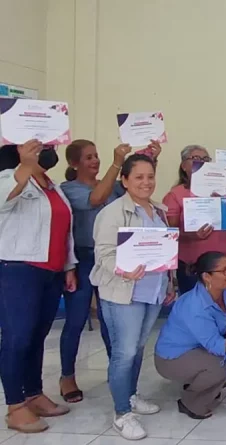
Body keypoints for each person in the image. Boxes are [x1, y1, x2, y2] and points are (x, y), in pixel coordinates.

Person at [91, 154, 176, 440]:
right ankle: (121, 413)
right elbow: (103, 255)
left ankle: (130, 396)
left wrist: (170, 282)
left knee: (138, 348)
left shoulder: (158, 211)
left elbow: (165, 252)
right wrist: (125, 271)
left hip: (152, 291)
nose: (146, 182)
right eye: (138, 177)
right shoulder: (113, 212)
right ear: (124, 180)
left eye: (150, 176)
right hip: (123, 294)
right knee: (123, 353)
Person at [0, 141, 77, 433]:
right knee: (17, 338)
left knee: (37, 336)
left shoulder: (50, 184)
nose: (48, 148)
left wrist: (69, 265)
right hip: (19, 270)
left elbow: (63, 228)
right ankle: (15, 406)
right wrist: (25, 164)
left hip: (52, 271)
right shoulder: (10, 177)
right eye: (39, 144)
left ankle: (33, 393)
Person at [60, 139, 135, 402]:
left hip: (112, 259)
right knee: (76, 319)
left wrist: (151, 157)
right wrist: (117, 162)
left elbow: (131, 187)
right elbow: (95, 199)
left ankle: (117, 371)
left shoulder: (114, 186)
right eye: (88, 157)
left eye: (96, 156)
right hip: (83, 259)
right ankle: (67, 376)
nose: (95, 161)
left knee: (110, 320)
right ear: (74, 163)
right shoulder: (68, 189)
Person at [154, 252, 226, 419]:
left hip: (204, 349)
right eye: (223, 271)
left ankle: (207, 388)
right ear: (207, 277)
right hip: (173, 357)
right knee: (222, 365)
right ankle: (190, 402)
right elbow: (215, 345)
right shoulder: (194, 305)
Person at [162, 145, 226, 294]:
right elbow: (169, 232)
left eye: (205, 159)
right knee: (194, 309)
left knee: (224, 306)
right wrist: (192, 235)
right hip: (193, 266)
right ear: (184, 166)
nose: (201, 163)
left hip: (222, 263)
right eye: (195, 159)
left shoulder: (223, 191)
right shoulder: (175, 195)